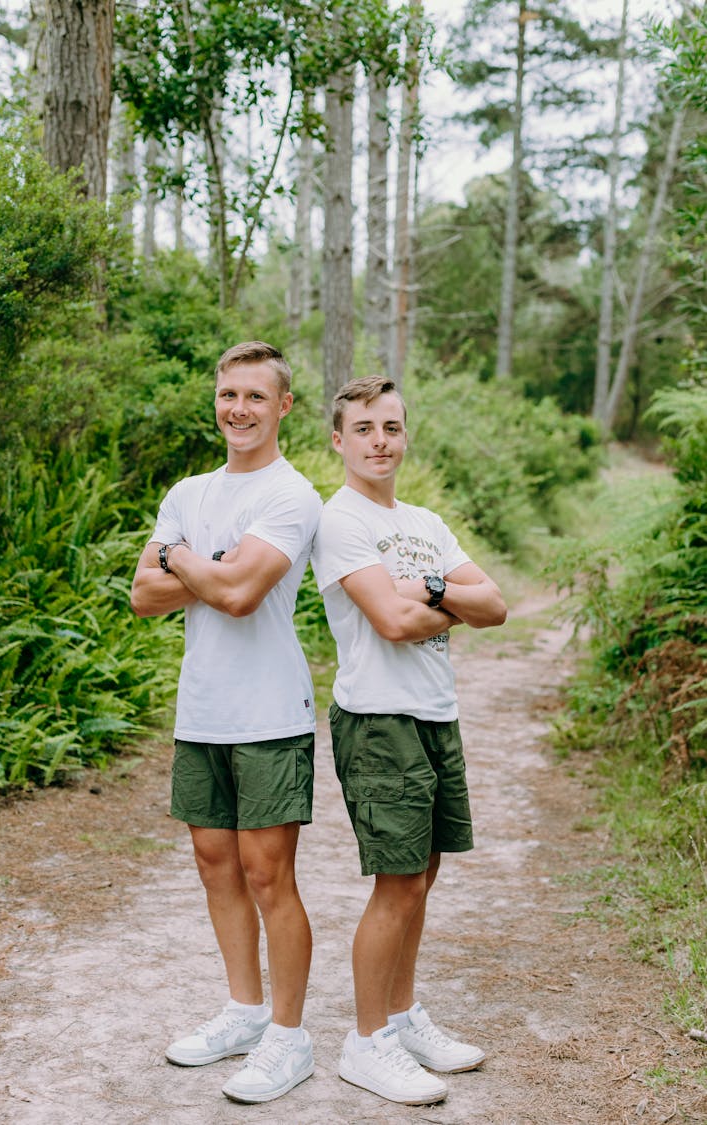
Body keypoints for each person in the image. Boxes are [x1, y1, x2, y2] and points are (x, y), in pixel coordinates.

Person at [130, 341, 322, 1105]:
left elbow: (243, 597)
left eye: (254, 396)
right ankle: (244, 1012)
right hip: (202, 707)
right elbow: (143, 595)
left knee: (269, 874)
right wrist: (206, 561)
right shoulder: (188, 491)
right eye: (227, 394)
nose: (238, 409)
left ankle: (289, 1035)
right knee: (216, 864)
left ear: (283, 407)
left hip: (271, 710)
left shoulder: (292, 494)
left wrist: (179, 559)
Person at [311, 375, 507, 1107]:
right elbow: (390, 624)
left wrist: (423, 589)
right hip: (378, 720)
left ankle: (400, 1017)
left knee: (422, 879)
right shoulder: (341, 521)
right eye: (363, 429)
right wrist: (444, 600)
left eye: (390, 427)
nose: (380, 441)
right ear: (339, 439)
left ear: (404, 434)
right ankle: (366, 1045)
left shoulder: (425, 520)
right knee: (394, 885)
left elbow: (495, 603)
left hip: (433, 713)